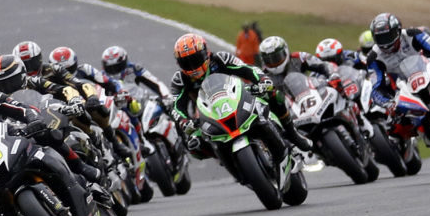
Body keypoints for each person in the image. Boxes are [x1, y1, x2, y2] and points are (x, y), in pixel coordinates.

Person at [0, 74, 105, 198]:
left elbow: (21, 108)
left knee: (47, 133)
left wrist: (34, 120)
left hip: (12, 134)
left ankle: (80, 166)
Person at [168, 33, 316, 154]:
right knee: (193, 146)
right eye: (186, 63)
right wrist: (184, 121)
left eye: (195, 60)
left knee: (273, 94)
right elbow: (176, 107)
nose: (193, 67)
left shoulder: (221, 59)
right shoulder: (179, 80)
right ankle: (227, 160)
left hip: (237, 97)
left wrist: (263, 80)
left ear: (205, 53)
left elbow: (248, 69)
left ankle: (292, 134)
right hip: (207, 113)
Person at [360, 12, 430, 107]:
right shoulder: (373, 58)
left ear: (397, 31)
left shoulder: (412, 34)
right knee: (396, 121)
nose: (385, 43)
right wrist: (388, 104)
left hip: (429, 78)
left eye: (388, 36)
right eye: (381, 38)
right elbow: (376, 89)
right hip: (403, 94)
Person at [256, 36, 337, 83]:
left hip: (310, 98)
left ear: (286, 51)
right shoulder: (264, 75)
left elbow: (323, 65)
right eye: (269, 60)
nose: (274, 62)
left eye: (277, 58)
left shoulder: (299, 57)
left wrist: (332, 75)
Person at [100, 46, 170, 97]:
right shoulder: (100, 77)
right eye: (110, 68)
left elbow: (156, 82)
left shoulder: (134, 69)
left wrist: (166, 96)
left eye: (117, 66)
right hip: (111, 109)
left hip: (137, 105)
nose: (114, 70)